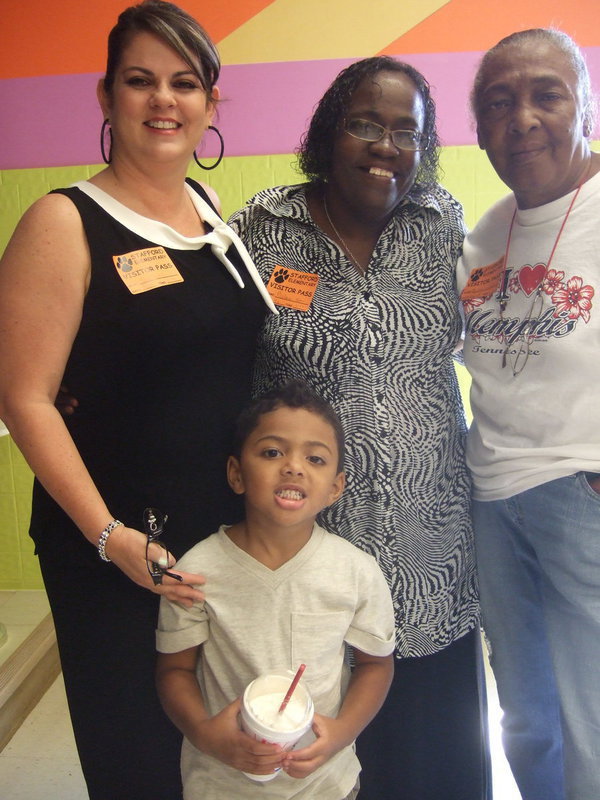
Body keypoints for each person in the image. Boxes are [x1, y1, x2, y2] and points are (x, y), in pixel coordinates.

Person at [0, 2, 276, 798]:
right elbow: (25, 400)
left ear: (211, 104)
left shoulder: (210, 215)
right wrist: (109, 536)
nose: (164, 101)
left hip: (213, 546)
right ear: (106, 97)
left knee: (218, 756)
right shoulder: (63, 221)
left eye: (185, 83)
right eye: (140, 81)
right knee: (141, 762)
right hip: (118, 549)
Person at [229, 57, 490, 799]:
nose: (385, 146)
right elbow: (206, 352)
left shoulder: (442, 224)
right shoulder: (262, 227)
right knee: (321, 757)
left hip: (431, 547)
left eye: (407, 131)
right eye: (365, 125)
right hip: (310, 552)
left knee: (438, 760)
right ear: (326, 133)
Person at [457, 28, 600, 800]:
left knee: (595, 723)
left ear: (585, 104)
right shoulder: (483, 235)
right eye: (499, 103)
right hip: (493, 503)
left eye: (546, 94)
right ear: (478, 130)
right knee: (528, 720)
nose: (524, 118)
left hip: (586, 497)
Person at [156, 380, 395, 799]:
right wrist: (206, 735)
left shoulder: (357, 572)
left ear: (335, 488)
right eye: (272, 452)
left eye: (316, 458)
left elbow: (376, 666)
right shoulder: (196, 571)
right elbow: (174, 670)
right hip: (221, 785)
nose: (294, 467)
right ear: (236, 474)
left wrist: (340, 734)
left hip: (327, 786)